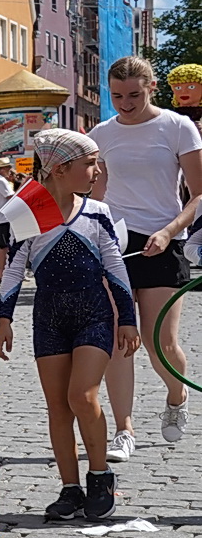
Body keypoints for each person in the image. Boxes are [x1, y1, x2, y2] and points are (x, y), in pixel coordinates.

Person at [0, 130, 139, 522]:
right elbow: (14, 269)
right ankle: (70, 487)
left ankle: (100, 476)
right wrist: (4, 318)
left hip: (94, 314)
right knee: (58, 407)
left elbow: (115, 266)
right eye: (89, 164)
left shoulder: (97, 213)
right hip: (49, 318)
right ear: (59, 169)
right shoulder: (26, 213)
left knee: (83, 395)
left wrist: (127, 318)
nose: (98, 171)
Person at [92, 55, 202, 461]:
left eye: (134, 95)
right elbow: (96, 193)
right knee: (119, 341)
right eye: (117, 96)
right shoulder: (102, 134)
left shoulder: (177, 126)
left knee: (160, 344)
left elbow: (198, 194)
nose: (126, 103)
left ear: (151, 88)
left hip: (164, 239)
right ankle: (124, 430)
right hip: (115, 243)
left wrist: (170, 231)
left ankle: (177, 396)